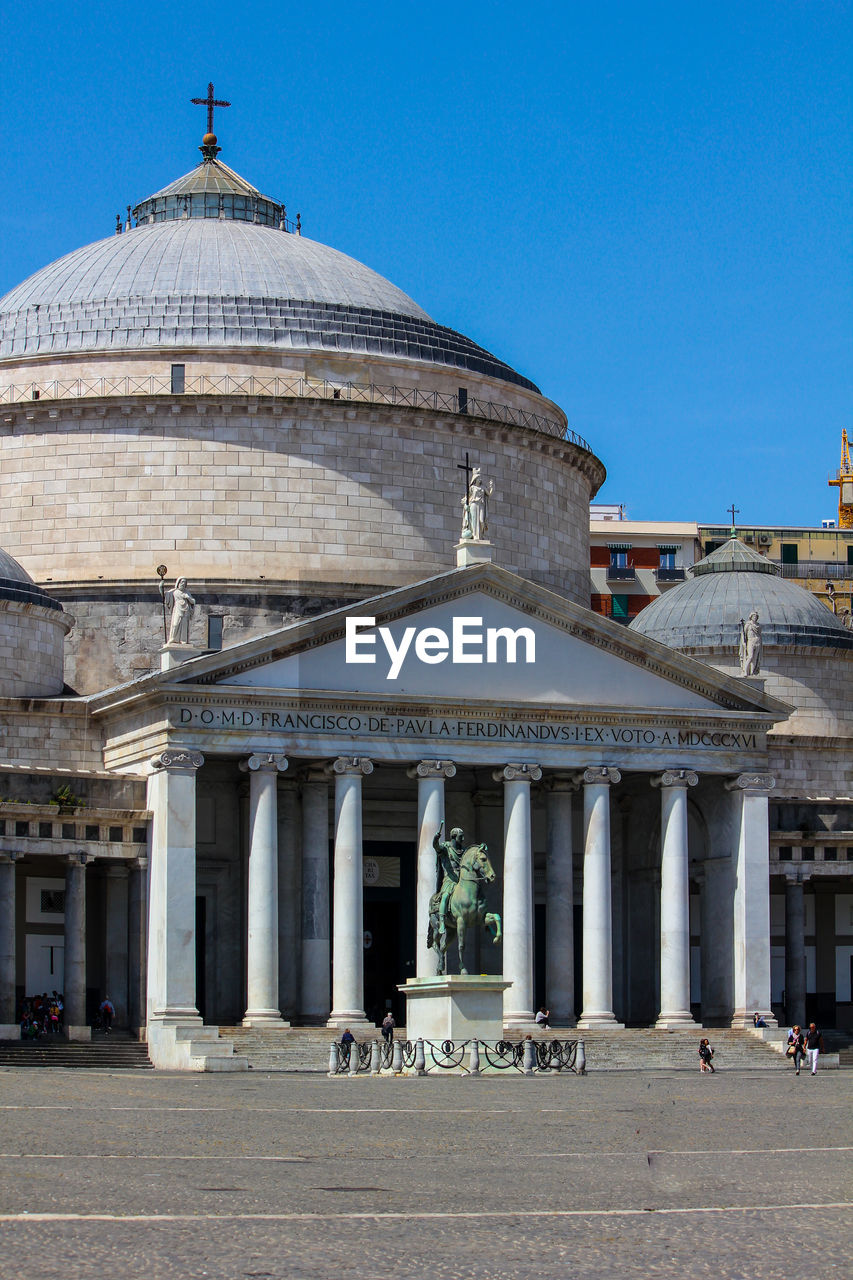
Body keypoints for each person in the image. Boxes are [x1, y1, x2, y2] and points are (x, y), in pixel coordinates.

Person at [433, 821, 466, 944]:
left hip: (461, 881)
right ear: (454, 837)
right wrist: (435, 840)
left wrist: (480, 848)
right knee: (446, 895)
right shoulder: (446, 848)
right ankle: (442, 922)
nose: (463, 839)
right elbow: (436, 847)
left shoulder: (463, 851)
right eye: (460, 836)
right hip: (449, 880)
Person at [162, 576, 195, 644]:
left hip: (186, 609)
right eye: (182, 582)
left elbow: (193, 602)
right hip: (177, 608)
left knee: (184, 625)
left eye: (184, 582)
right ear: (178, 583)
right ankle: (173, 638)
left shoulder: (187, 592)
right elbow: (165, 595)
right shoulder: (174, 591)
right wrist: (160, 587)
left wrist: (188, 597)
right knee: (175, 624)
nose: (183, 584)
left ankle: (183, 640)